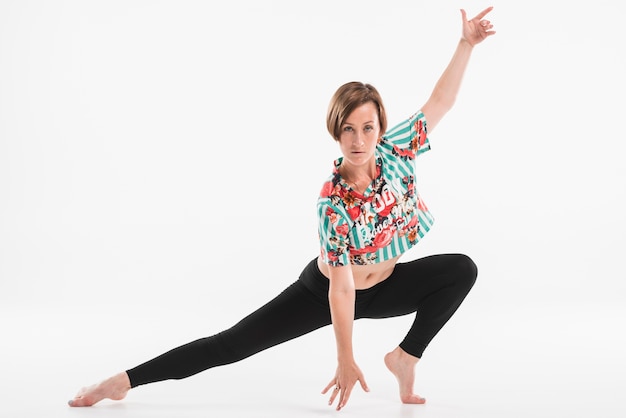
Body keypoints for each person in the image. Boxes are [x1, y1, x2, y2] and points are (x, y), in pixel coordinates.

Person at [69, 6, 496, 411]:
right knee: (230, 346)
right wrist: (345, 359)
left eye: (367, 128)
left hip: (386, 285)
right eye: (348, 129)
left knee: (460, 269)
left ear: (381, 127)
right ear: (336, 131)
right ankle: (122, 381)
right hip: (325, 291)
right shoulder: (333, 200)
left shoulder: (398, 150)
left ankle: (405, 357)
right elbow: (342, 289)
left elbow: (440, 102)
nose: (358, 140)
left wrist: (466, 45)